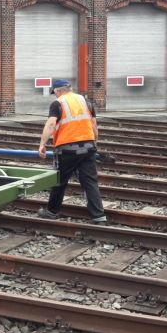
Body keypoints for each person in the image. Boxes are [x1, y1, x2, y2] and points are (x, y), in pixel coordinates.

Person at [37, 79, 107, 224]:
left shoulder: (58, 103)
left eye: (55, 92)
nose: (55, 95)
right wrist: (94, 142)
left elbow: (51, 124)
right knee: (90, 182)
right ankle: (99, 216)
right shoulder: (85, 101)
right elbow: (94, 125)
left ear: (58, 91)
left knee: (59, 181)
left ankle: (52, 212)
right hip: (88, 147)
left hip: (66, 150)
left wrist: (42, 144)